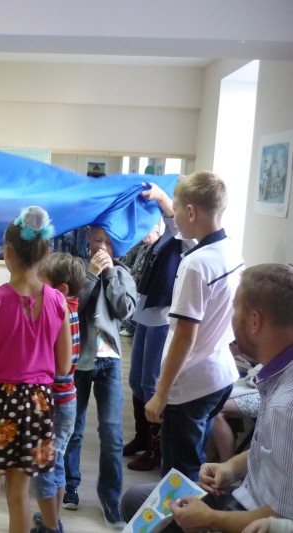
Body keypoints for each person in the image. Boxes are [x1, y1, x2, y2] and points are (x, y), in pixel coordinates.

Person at [122, 263, 293, 532]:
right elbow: (274, 452)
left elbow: (280, 517)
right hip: (246, 498)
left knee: (146, 509)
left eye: (234, 309)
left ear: (254, 321)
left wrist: (210, 518)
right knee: (137, 499)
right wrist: (231, 467)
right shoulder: (279, 374)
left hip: (255, 519)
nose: (230, 319)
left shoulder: (285, 407)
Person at [0, 206, 72, 533]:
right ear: (47, 253)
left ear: (7, 252)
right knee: (20, 495)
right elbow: (64, 366)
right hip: (37, 405)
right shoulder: (57, 302)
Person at [144, 171, 243, 482]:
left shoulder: (196, 264)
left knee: (178, 475)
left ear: (190, 212)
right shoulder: (231, 251)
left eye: (175, 207)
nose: (173, 214)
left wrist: (161, 393)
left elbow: (184, 336)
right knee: (194, 463)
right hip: (220, 376)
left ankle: (182, 514)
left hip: (191, 385)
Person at [62, 225, 137, 529]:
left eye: (106, 242)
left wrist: (109, 275)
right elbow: (69, 309)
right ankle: (70, 485)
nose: (101, 247)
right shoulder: (76, 269)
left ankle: (110, 498)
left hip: (109, 361)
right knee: (73, 427)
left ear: (115, 245)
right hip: (78, 360)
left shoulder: (122, 273)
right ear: (87, 241)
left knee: (112, 432)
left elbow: (124, 310)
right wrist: (91, 275)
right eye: (96, 241)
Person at [124, 183, 195, 472]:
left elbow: (173, 221)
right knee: (136, 380)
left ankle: (155, 449)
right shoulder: (166, 237)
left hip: (163, 318)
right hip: (147, 314)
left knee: (149, 382)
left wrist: (162, 196)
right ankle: (143, 437)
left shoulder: (186, 239)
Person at [31, 252, 86, 533]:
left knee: (43, 466)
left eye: (42, 284)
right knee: (57, 462)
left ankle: (51, 527)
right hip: (67, 400)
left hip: (54, 401)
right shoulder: (72, 307)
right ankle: (52, 518)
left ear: (61, 289)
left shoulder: (58, 312)